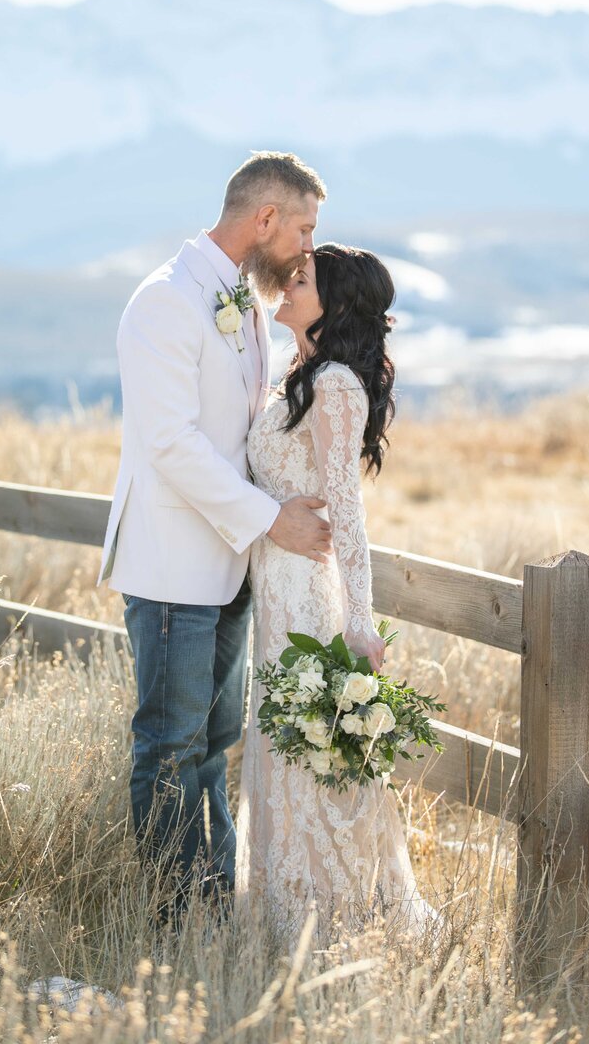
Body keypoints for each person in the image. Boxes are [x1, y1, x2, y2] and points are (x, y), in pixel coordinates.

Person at [97, 151, 332, 905]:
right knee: (169, 748)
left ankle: (215, 898)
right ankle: (173, 917)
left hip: (230, 566)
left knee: (215, 746)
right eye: (302, 228)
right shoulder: (166, 301)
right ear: (265, 219)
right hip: (174, 568)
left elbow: (238, 422)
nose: (306, 247)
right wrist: (272, 521)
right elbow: (171, 444)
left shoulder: (241, 297)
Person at [235, 243, 436, 942]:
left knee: (311, 761)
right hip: (272, 584)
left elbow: (347, 515)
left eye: (303, 278)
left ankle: (332, 924)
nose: (286, 284)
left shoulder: (336, 388)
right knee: (279, 753)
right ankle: (281, 915)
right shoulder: (297, 374)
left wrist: (359, 623)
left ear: (337, 302)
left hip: (307, 594)